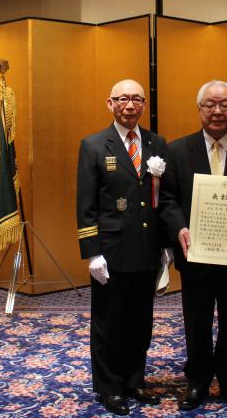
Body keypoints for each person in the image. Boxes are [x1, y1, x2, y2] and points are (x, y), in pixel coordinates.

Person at [159, 80, 227, 412]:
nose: (217, 111)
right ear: (200, 109)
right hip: (195, 252)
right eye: (209, 105)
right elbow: (168, 199)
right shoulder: (177, 150)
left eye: (224, 105)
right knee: (197, 316)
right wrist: (180, 230)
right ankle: (198, 380)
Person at [76, 79, 169, 416]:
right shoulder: (94, 145)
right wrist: (92, 252)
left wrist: (167, 246)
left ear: (144, 104)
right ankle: (109, 386)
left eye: (137, 99)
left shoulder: (157, 143)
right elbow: (85, 204)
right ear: (110, 103)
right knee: (109, 322)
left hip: (146, 249)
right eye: (123, 99)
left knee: (140, 320)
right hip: (111, 252)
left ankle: (135, 380)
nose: (130, 106)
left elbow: (162, 198)